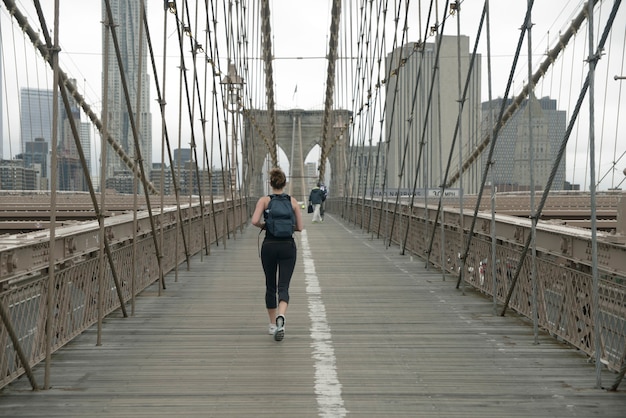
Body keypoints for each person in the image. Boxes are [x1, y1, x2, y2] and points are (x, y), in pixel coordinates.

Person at [251, 167, 304, 341]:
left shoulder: (264, 201)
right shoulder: (293, 202)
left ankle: (273, 324)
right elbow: (300, 227)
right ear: (284, 184)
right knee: (284, 287)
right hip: (288, 246)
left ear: (270, 183)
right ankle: (282, 315)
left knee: (270, 286)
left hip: (269, 245)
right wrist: (287, 228)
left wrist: (268, 226)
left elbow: (254, 221)